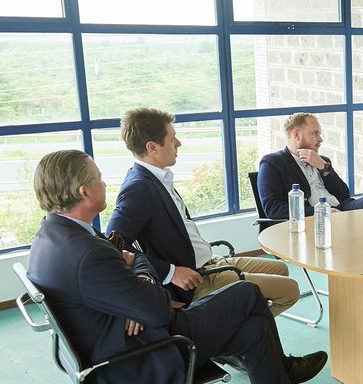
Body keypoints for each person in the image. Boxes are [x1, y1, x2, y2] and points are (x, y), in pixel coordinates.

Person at [27, 149, 333, 384]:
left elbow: (118, 275)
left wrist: (131, 288)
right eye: (99, 179)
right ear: (84, 192)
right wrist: (141, 272)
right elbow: (157, 308)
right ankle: (282, 371)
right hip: (142, 359)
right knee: (247, 292)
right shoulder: (89, 253)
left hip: (117, 347)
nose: (105, 184)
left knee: (253, 330)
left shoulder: (50, 237)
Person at [106, 107, 301, 317]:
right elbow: (115, 243)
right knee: (289, 291)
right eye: (172, 139)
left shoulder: (157, 178)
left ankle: (252, 331)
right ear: (152, 147)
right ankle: (240, 332)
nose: (178, 143)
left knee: (280, 270)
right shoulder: (139, 187)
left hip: (211, 263)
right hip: (199, 278)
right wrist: (170, 273)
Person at [257, 113, 363, 219]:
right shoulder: (272, 163)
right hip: (313, 218)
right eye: (315, 133)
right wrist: (322, 212)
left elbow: (344, 196)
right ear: (296, 135)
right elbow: (273, 209)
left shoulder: (322, 160)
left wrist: (323, 166)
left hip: (339, 210)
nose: (320, 139)